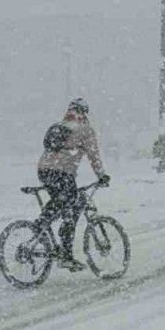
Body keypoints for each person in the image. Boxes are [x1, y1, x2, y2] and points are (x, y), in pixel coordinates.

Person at [36, 98, 109, 270]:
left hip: (44, 171)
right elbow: (93, 155)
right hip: (62, 172)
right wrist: (101, 175)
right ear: (84, 113)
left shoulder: (59, 125)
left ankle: (47, 226)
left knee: (68, 202)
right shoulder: (85, 129)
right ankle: (64, 252)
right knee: (70, 202)